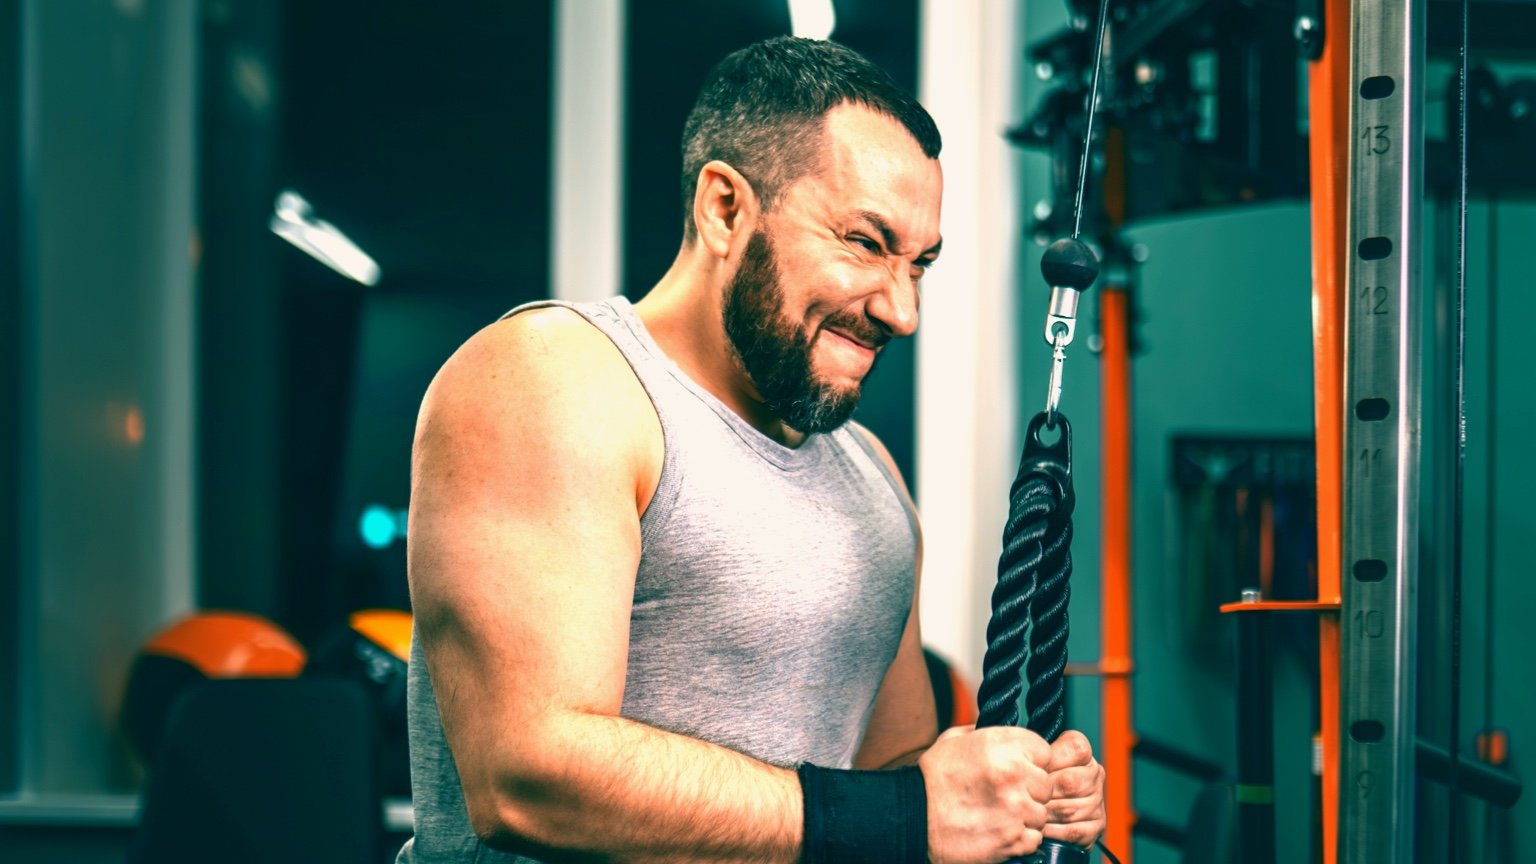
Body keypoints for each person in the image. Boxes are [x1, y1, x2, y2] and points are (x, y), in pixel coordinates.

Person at [399, 36, 1106, 864]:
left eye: (921, 264)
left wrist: (1002, 799)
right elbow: (527, 778)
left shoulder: (870, 475)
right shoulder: (554, 381)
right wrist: (906, 816)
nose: (902, 310)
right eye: (867, 243)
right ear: (725, 208)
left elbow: (889, 779)